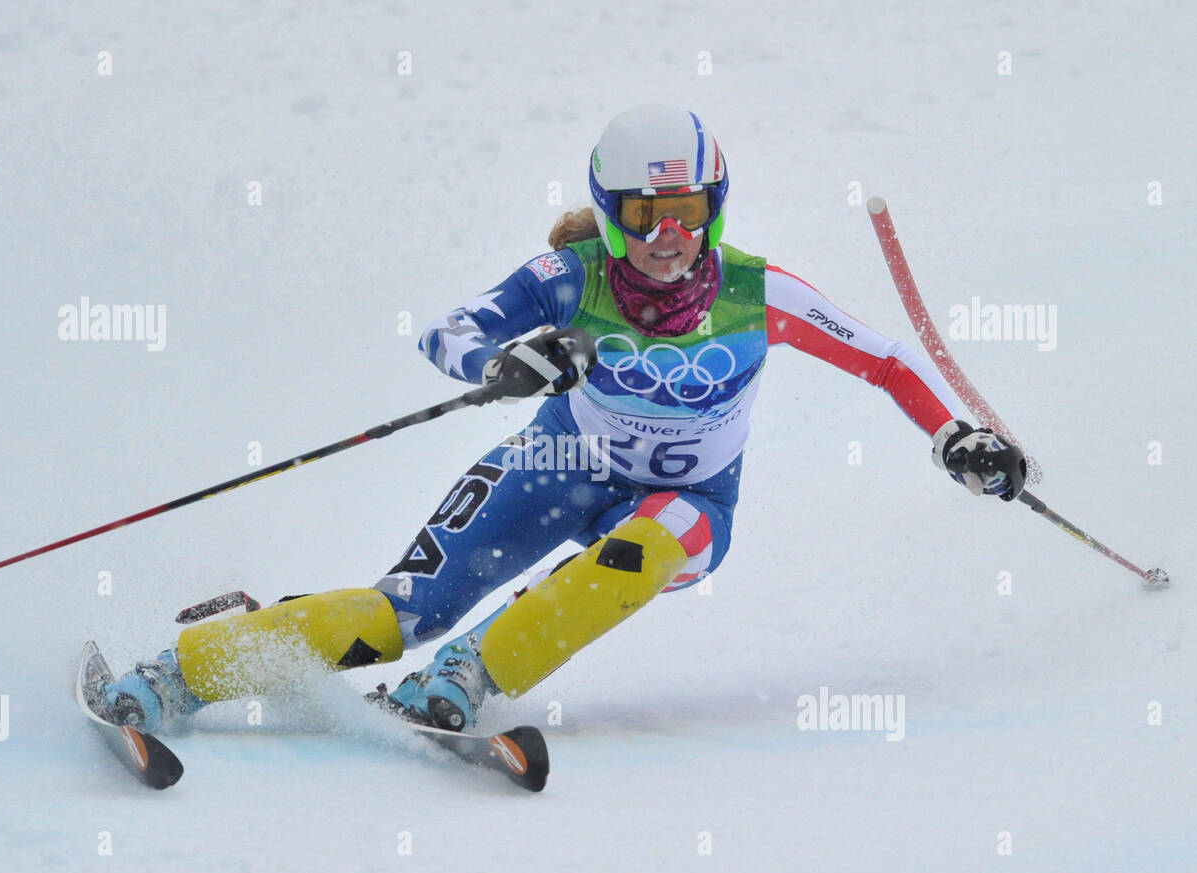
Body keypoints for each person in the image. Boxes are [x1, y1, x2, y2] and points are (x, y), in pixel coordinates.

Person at [87, 104, 1026, 735]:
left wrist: (956, 434)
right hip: (555, 462)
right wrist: (506, 360)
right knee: (392, 615)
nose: (672, 237)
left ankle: (468, 675)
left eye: (690, 211)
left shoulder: (758, 292)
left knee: (643, 547)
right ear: (612, 214)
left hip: (691, 497)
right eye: (647, 215)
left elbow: (886, 360)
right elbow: (447, 333)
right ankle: (178, 672)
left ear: (716, 207)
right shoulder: (567, 279)